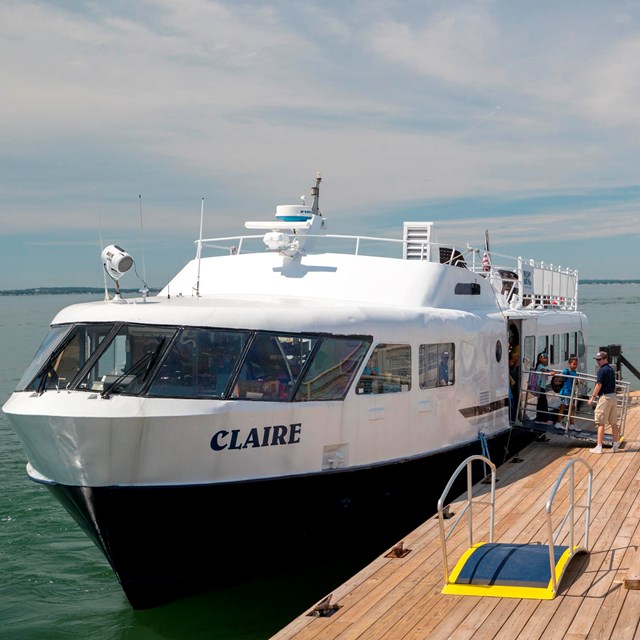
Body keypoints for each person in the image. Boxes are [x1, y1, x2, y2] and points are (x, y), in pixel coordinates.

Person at [588, 351, 620, 454]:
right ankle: (615, 445)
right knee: (613, 423)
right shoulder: (610, 369)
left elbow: (598, 385)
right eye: (596, 359)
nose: (598, 362)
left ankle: (599, 446)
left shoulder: (601, 370)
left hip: (605, 397)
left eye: (599, 359)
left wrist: (592, 398)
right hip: (613, 396)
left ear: (605, 359)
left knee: (600, 423)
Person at [554, 356, 581, 432]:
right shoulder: (567, 371)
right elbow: (561, 377)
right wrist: (556, 375)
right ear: (569, 364)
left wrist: (579, 382)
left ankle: (572, 424)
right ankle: (558, 422)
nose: (575, 365)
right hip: (566, 392)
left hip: (571, 393)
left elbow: (574, 380)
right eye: (574, 364)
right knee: (563, 407)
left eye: (576, 364)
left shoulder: (574, 372)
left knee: (571, 408)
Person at [533, 352, 552, 424]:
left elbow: (546, 370)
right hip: (540, 387)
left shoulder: (540, 366)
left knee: (540, 402)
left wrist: (551, 372)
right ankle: (544, 419)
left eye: (546, 358)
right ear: (540, 358)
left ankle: (539, 419)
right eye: (544, 358)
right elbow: (544, 370)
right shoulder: (540, 366)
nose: (545, 359)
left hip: (540, 386)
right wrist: (550, 373)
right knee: (543, 402)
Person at [508, 351, 519, 422]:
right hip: (509, 391)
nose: (513, 363)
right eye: (512, 361)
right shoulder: (508, 371)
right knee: (512, 403)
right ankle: (513, 418)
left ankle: (513, 418)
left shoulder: (509, 369)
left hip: (510, 390)